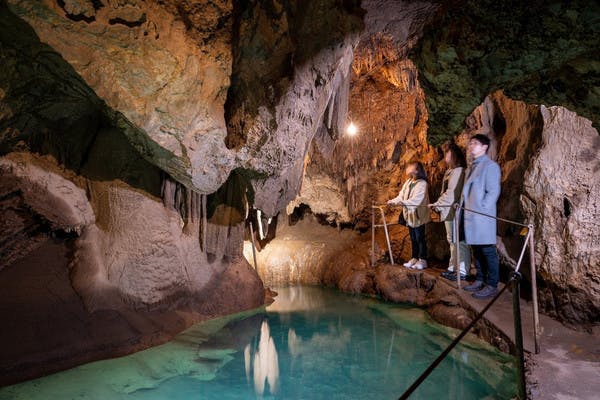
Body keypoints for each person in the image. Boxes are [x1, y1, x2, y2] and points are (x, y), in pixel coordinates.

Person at [461, 134, 502, 299]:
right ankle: (480, 279)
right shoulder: (472, 167)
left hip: (481, 216)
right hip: (471, 216)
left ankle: (492, 284)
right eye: (471, 143)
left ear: (485, 147)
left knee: (487, 250)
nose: (472, 146)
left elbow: (493, 191)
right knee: (476, 250)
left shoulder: (490, 166)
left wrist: (482, 210)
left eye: (475, 143)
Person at [430, 142, 471, 281]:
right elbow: (445, 193)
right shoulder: (449, 172)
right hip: (448, 210)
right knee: (452, 240)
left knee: (459, 240)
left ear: (455, 155)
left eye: (447, 153)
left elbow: (452, 193)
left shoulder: (459, 171)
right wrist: (437, 204)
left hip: (455, 210)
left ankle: (463, 270)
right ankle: (453, 267)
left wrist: (439, 205)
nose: (445, 155)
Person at [387, 161, 430, 270]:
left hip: (418, 215)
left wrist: (404, 203)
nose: (407, 168)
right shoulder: (408, 182)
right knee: (413, 238)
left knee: (420, 238)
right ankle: (414, 258)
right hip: (409, 216)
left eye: (410, 166)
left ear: (417, 170)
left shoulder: (422, 184)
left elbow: (417, 199)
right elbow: (401, 196)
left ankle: (423, 259)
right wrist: (393, 201)